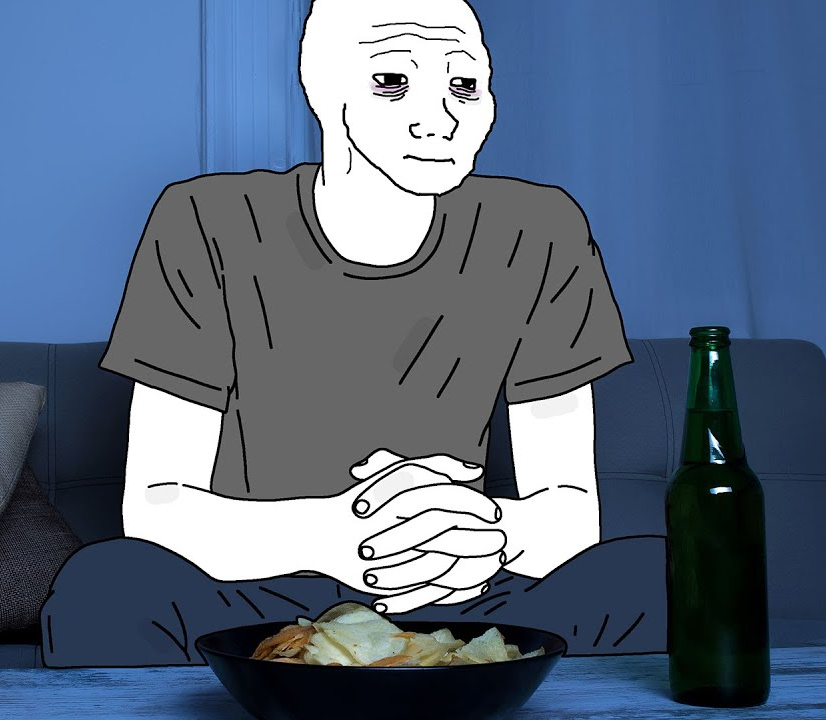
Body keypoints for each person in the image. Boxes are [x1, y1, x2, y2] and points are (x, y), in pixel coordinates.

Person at [40, 0, 665, 667]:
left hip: (465, 584)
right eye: (392, 82)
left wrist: (482, 531)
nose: (440, 118)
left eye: (463, 84)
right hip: (262, 591)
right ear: (321, 88)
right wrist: (340, 534)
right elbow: (157, 509)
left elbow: (569, 511)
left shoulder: (540, 228)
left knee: (671, 578)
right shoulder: (205, 219)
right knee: (105, 589)